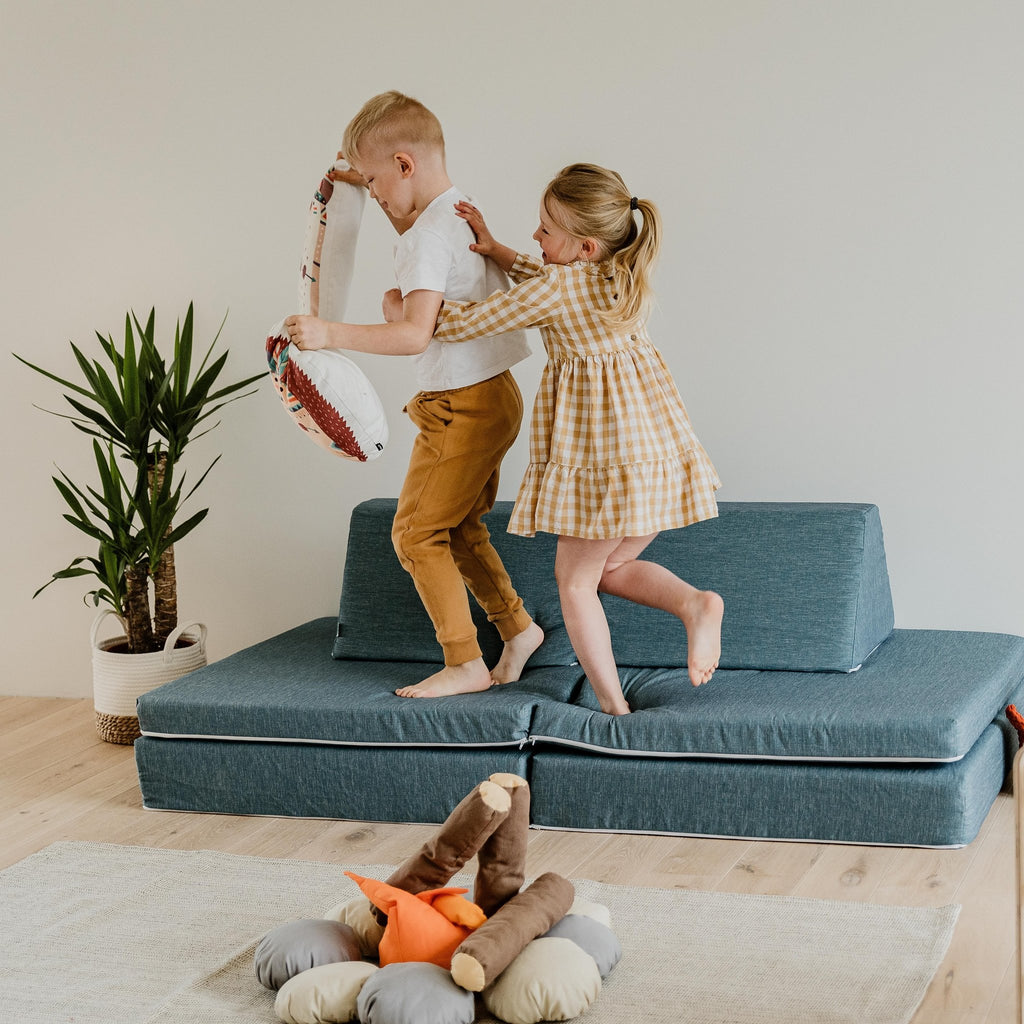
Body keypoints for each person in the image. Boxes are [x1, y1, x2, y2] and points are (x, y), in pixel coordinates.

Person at [387, 162, 723, 716]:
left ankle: (615, 708)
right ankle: (694, 603)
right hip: (653, 452)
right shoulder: (616, 272)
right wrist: (497, 251)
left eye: (545, 229)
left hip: (606, 458)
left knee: (575, 584)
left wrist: (404, 309)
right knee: (609, 572)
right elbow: (546, 280)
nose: (535, 237)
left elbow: (472, 320)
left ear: (585, 245)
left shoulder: (558, 289)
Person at [285, 91, 544, 698]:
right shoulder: (455, 211)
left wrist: (330, 333)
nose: (373, 196)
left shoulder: (427, 238)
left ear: (405, 165)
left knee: (413, 534)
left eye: (375, 182)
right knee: (457, 528)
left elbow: (411, 335)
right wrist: (357, 174)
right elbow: (409, 222)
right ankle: (517, 628)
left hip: (461, 407)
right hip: (495, 397)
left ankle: (464, 662)